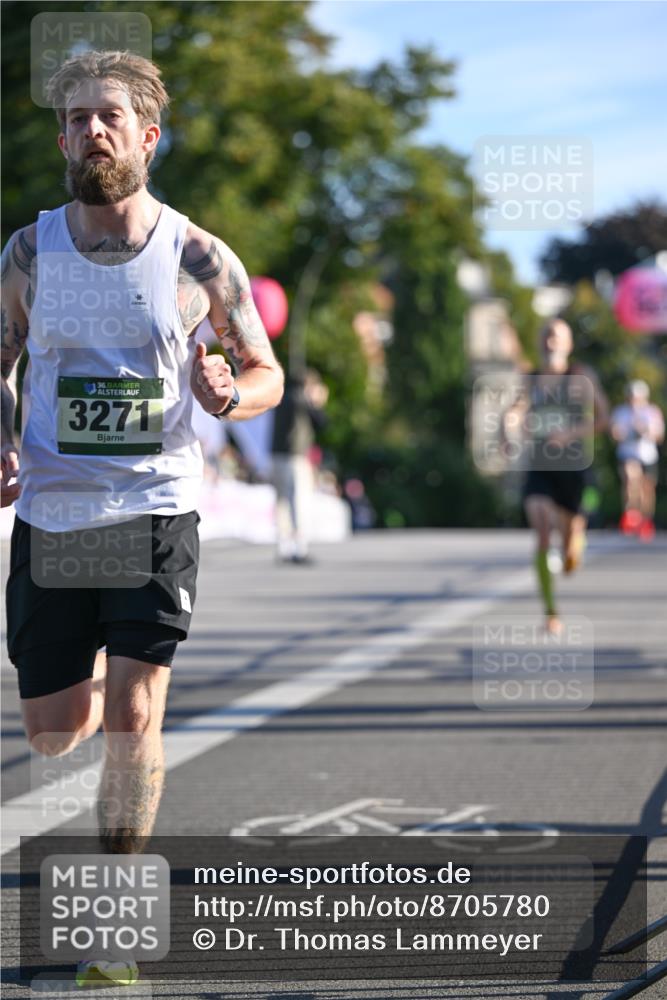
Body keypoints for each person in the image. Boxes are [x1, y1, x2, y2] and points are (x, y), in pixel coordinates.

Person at [0, 50, 283, 985]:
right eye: (76, 119)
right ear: (61, 140)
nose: (92, 131)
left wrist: (227, 393)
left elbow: (266, 371)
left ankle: (114, 931)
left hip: (155, 506)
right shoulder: (29, 253)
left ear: (148, 137)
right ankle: (80, 670)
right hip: (53, 510)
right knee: (54, 730)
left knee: (133, 712)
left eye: (109, 116)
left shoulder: (197, 256)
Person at [506, 319, 609, 635]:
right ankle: (551, 613)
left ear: (568, 344)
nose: (551, 341)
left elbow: (603, 418)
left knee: (569, 552)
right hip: (541, 466)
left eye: (557, 336)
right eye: (546, 335)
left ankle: (574, 541)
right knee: (540, 526)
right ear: (540, 342)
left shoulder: (580, 376)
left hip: (574, 468)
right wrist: (508, 429)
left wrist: (569, 434)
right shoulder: (531, 379)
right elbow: (515, 411)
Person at [271, 367, 328, 563]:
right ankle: (300, 548)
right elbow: (321, 422)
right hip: (295, 457)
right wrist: (317, 402)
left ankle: (283, 547)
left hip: (277, 455)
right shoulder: (300, 400)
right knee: (299, 501)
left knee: (281, 503)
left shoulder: (281, 398)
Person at [610, 379, 664, 541]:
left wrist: (645, 431)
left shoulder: (652, 412)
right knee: (631, 480)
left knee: (647, 489)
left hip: (647, 455)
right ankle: (631, 514)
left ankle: (645, 520)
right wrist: (621, 433)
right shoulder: (621, 412)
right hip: (628, 453)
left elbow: (659, 436)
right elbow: (614, 434)